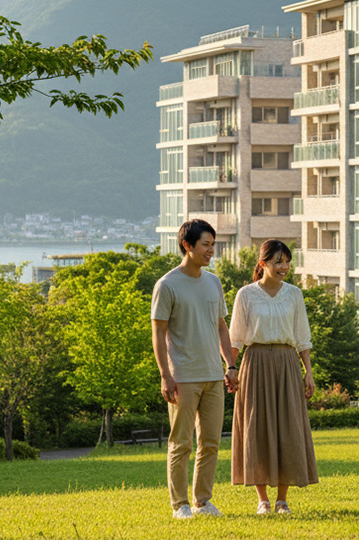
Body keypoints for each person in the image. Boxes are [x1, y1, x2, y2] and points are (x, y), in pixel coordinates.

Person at [151, 219, 240, 520]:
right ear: (187, 245)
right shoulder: (167, 285)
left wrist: (230, 366)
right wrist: (166, 375)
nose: (211, 250)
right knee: (182, 443)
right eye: (206, 244)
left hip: (214, 375)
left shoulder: (213, 281)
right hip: (183, 377)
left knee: (211, 442)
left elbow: (221, 327)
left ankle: (202, 501)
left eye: (213, 245)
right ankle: (180, 505)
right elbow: (158, 334)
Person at [228, 239, 319, 515]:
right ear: (263, 263)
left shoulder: (294, 295)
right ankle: (262, 500)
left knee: (287, 426)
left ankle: (282, 499)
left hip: (287, 363)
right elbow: (236, 337)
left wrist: (309, 373)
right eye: (278, 261)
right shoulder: (246, 294)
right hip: (254, 364)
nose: (284, 267)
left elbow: (302, 337)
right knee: (256, 427)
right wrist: (230, 369)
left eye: (287, 262)